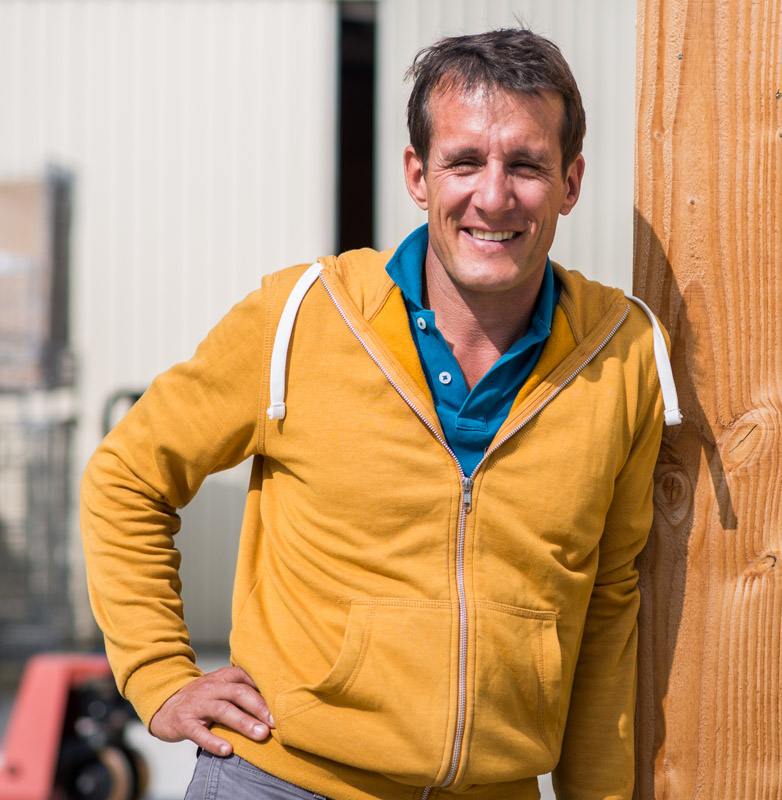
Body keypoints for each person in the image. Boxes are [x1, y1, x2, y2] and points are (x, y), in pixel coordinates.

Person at [80, 27, 680, 800]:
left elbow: (607, 602)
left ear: (570, 182)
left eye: (526, 166)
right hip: (279, 779)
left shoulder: (621, 356)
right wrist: (160, 675)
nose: (493, 195)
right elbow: (126, 476)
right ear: (418, 176)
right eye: (464, 161)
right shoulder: (301, 316)